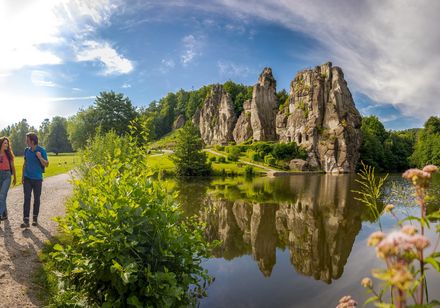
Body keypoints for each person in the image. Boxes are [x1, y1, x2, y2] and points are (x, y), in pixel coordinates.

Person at [21, 132, 49, 228]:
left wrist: (40, 157)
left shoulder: (41, 150)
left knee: (36, 199)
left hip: (37, 179)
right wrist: (22, 176)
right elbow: (25, 164)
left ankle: (35, 219)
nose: (26, 142)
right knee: (27, 198)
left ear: (32, 141)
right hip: (27, 178)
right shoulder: (26, 150)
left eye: (27, 140)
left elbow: (46, 164)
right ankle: (26, 220)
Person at [0, 137, 17, 225]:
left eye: (7, 143)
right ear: (1, 144)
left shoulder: (9, 154)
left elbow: (13, 167)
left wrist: (15, 177)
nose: (6, 145)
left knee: (2, 195)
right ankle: (4, 213)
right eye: (5, 143)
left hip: (7, 175)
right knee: (2, 197)